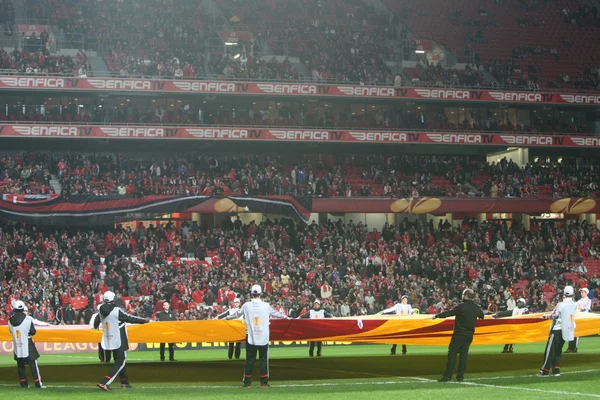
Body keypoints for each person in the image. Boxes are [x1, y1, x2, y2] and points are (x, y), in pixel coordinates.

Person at [228, 284, 288, 388]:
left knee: (249, 359)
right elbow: (276, 314)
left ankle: (247, 382)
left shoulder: (246, 305)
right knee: (264, 360)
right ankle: (263, 383)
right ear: (260, 293)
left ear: (252, 293)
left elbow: (237, 314)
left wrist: (227, 318)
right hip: (263, 337)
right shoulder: (266, 306)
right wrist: (286, 317)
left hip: (251, 336)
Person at [93, 291, 148, 391]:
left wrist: (96, 326)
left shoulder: (100, 310)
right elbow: (130, 318)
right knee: (120, 361)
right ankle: (105, 381)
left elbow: (96, 322)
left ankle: (124, 382)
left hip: (108, 339)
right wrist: (144, 320)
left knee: (118, 360)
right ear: (113, 299)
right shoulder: (116, 310)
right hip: (120, 338)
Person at [433, 288, 484, 382]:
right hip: (469, 335)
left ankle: (447, 377)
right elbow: (482, 316)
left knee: (452, 353)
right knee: (464, 355)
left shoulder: (461, 306)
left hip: (459, 334)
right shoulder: (476, 307)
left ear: (466, 296)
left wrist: (437, 316)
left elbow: (449, 313)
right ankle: (460, 377)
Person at [538, 285, 577, 376]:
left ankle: (545, 370)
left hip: (556, 329)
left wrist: (545, 316)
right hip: (566, 330)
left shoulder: (561, 304)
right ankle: (556, 370)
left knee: (550, 351)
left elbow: (554, 315)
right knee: (558, 350)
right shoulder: (574, 304)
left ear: (564, 294)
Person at [8, 300, 45, 389]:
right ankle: (37, 383)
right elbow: (33, 331)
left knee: (20, 365)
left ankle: (23, 384)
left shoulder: (10, 321)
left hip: (17, 343)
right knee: (33, 364)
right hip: (28, 343)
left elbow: (11, 331)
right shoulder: (28, 319)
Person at [566, 288, 591, 353]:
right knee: (572, 333)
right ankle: (570, 347)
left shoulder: (588, 300)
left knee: (576, 333)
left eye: (583, 292)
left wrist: (577, 308)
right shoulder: (580, 301)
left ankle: (573, 348)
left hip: (581, 318)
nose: (581, 293)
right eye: (581, 292)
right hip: (576, 317)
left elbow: (583, 308)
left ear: (586, 293)